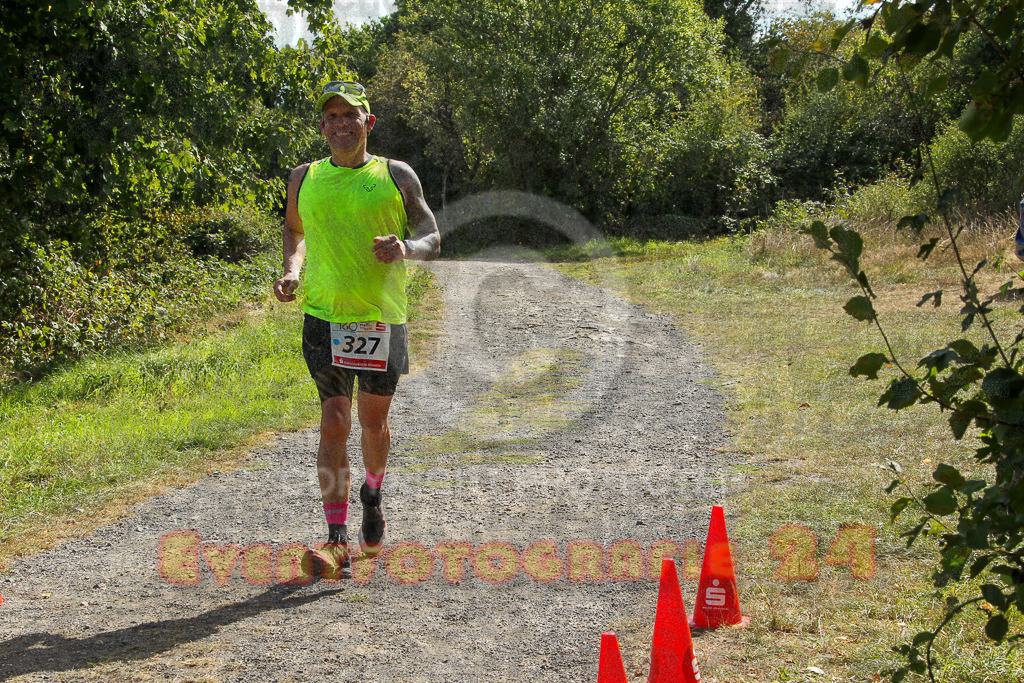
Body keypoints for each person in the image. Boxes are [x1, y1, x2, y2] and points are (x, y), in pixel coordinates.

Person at [273, 81, 440, 566]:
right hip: (323, 318)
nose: (341, 124)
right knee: (333, 421)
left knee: (372, 421)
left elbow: (431, 233)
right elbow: (294, 229)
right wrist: (291, 269)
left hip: (380, 320)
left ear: (368, 123)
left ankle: (372, 495)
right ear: (322, 126)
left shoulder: (396, 175)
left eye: (351, 116)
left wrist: (406, 247)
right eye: (332, 117)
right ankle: (336, 534)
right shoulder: (304, 177)